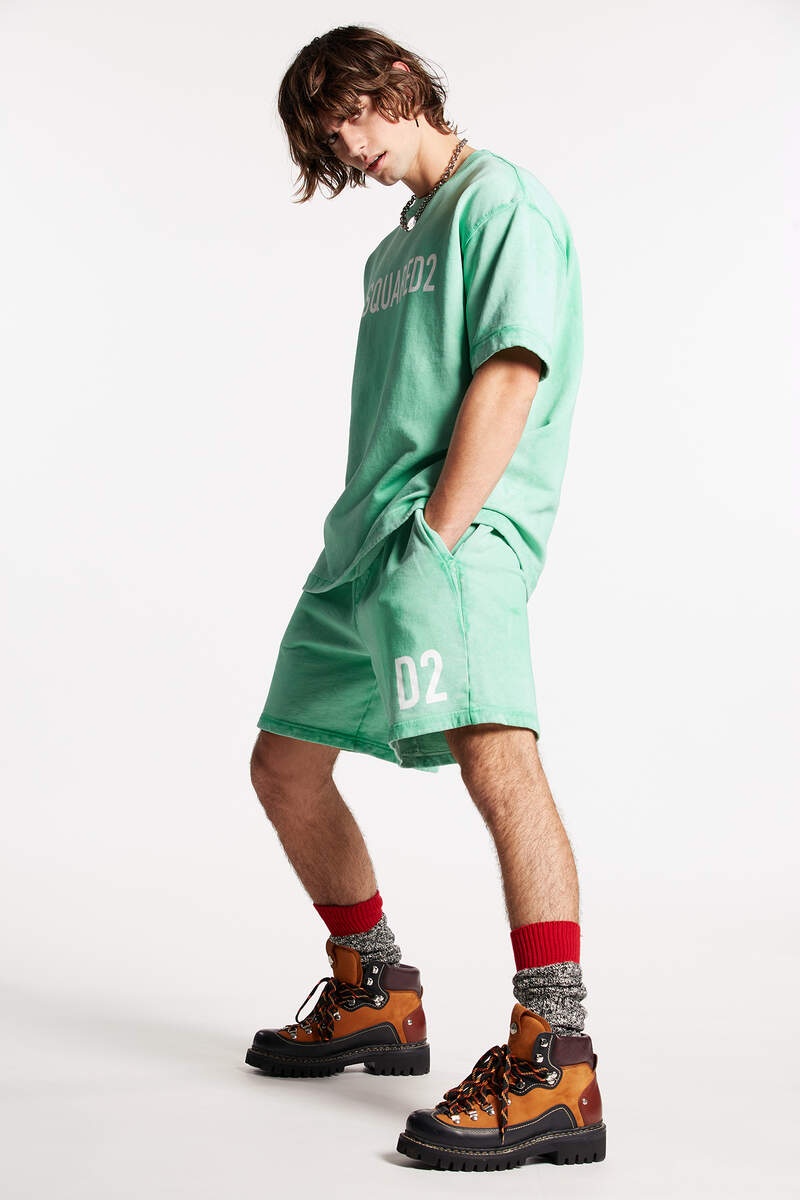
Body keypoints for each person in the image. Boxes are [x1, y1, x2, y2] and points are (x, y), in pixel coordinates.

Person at [245, 25, 605, 1172]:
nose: (346, 147)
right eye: (326, 138)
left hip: (447, 537)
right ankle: (374, 994)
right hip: (363, 543)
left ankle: (557, 1057)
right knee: (284, 764)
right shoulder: (394, 244)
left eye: (350, 116)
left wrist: (437, 538)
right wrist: (381, 542)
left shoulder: (501, 204)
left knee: (497, 758)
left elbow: (509, 370)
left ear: (398, 84)